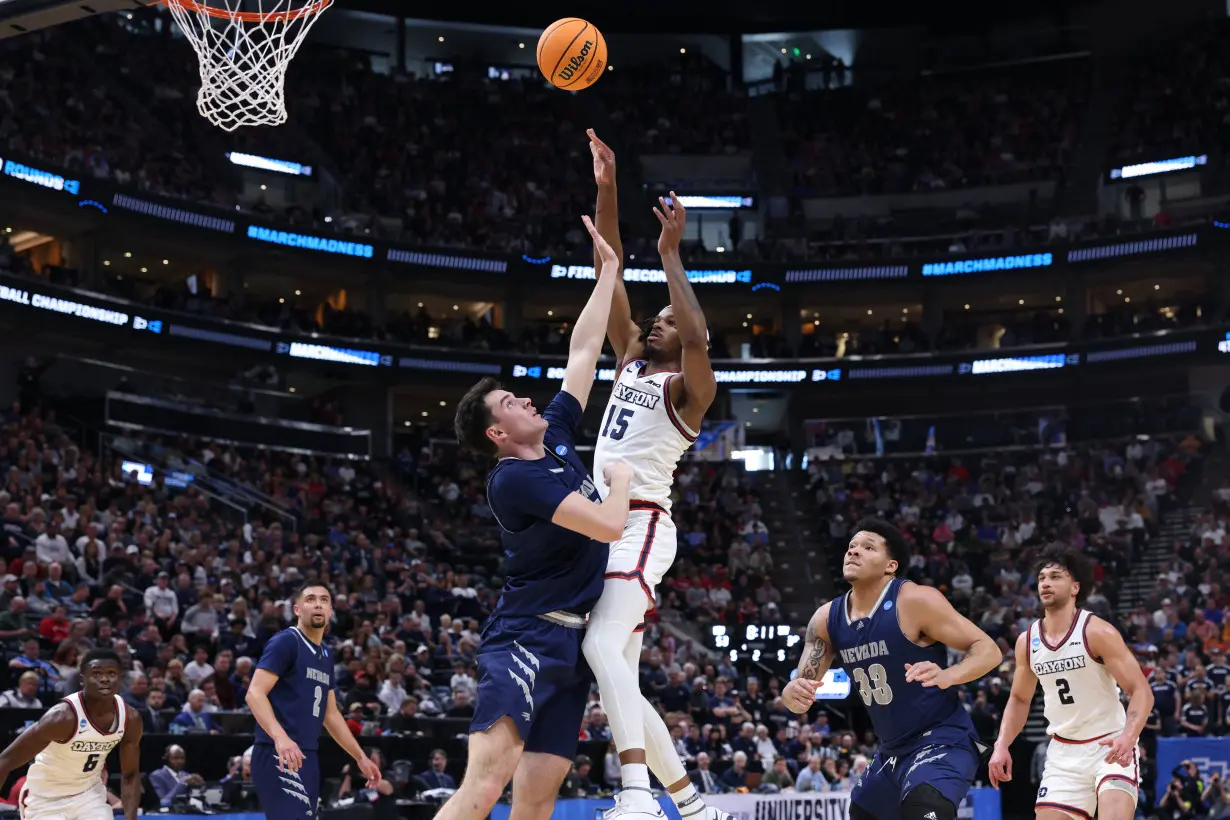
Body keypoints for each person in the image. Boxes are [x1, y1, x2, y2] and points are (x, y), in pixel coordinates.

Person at [439, 214, 630, 820]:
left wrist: (610, 274)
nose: (525, 398)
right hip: (525, 638)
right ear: (498, 431)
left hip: (572, 646)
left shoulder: (557, 439)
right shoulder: (514, 478)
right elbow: (605, 525)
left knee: (538, 799)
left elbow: (582, 350)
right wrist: (620, 483)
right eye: (510, 403)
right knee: (484, 787)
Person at [583, 130, 723, 820]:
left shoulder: (691, 391)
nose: (660, 323)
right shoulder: (629, 362)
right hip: (597, 523)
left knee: (600, 645)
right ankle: (695, 810)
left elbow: (696, 335)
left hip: (639, 523)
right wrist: (607, 189)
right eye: (657, 318)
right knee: (622, 681)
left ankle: (635, 798)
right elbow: (607, 263)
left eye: (669, 319)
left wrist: (672, 256)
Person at [781, 519, 1001, 820]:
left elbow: (988, 650)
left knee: (923, 809)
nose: (854, 552)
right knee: (861, 812)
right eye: (851, 546)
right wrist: (791, 692)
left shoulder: (914, 600)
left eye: (868, 547)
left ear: (890, 566)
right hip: (891, 751)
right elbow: (798, 693)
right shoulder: (825, 618)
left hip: (943, 739)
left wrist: (949, 675)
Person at [988, 546, 1154, 820]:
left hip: (1109, 744)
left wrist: (1129, 736)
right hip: (1063, 754)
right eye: (1042, 578)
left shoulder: (1097, 631)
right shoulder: (1027, 642)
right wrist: (1002, 745)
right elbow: (1019, 699)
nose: (1046, 583)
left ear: (1075, 587)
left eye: (1055, 576)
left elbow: (1141, 691)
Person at [245, 582, 381, 819]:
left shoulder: (325, 654)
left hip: (308, 755)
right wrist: (281, 738)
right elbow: (254, 693)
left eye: (324, 600)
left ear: (330, 611)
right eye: (310, 599)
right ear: (297, 609)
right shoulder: (286, 641)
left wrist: (360, 756)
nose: (318, 604)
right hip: (279, 753)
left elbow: (330, 714)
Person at [0, 647, 142, 820]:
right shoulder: (61, 718)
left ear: (120, 677)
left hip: (89, 796)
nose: (104, 679)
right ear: (82, 680)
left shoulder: (130, 718)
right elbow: (5, 760)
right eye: (96, 673)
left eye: (111, 673)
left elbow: (130, 774)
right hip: (45, 798)